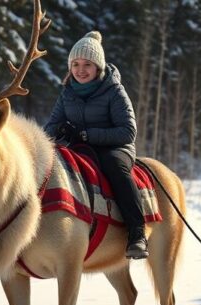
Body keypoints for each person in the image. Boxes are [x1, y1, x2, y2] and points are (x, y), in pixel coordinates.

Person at [43, 31, 148, 259]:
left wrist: (85, 135)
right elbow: (50, 127)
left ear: (98, 67)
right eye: (76, 64)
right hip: (79, 147)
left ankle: (136, 232)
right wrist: (60, 132)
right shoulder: (67, 92)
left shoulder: (114, 91)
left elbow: (128, 132)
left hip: (115, 148)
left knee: (115, 168)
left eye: (87, 64)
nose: (81, 70)